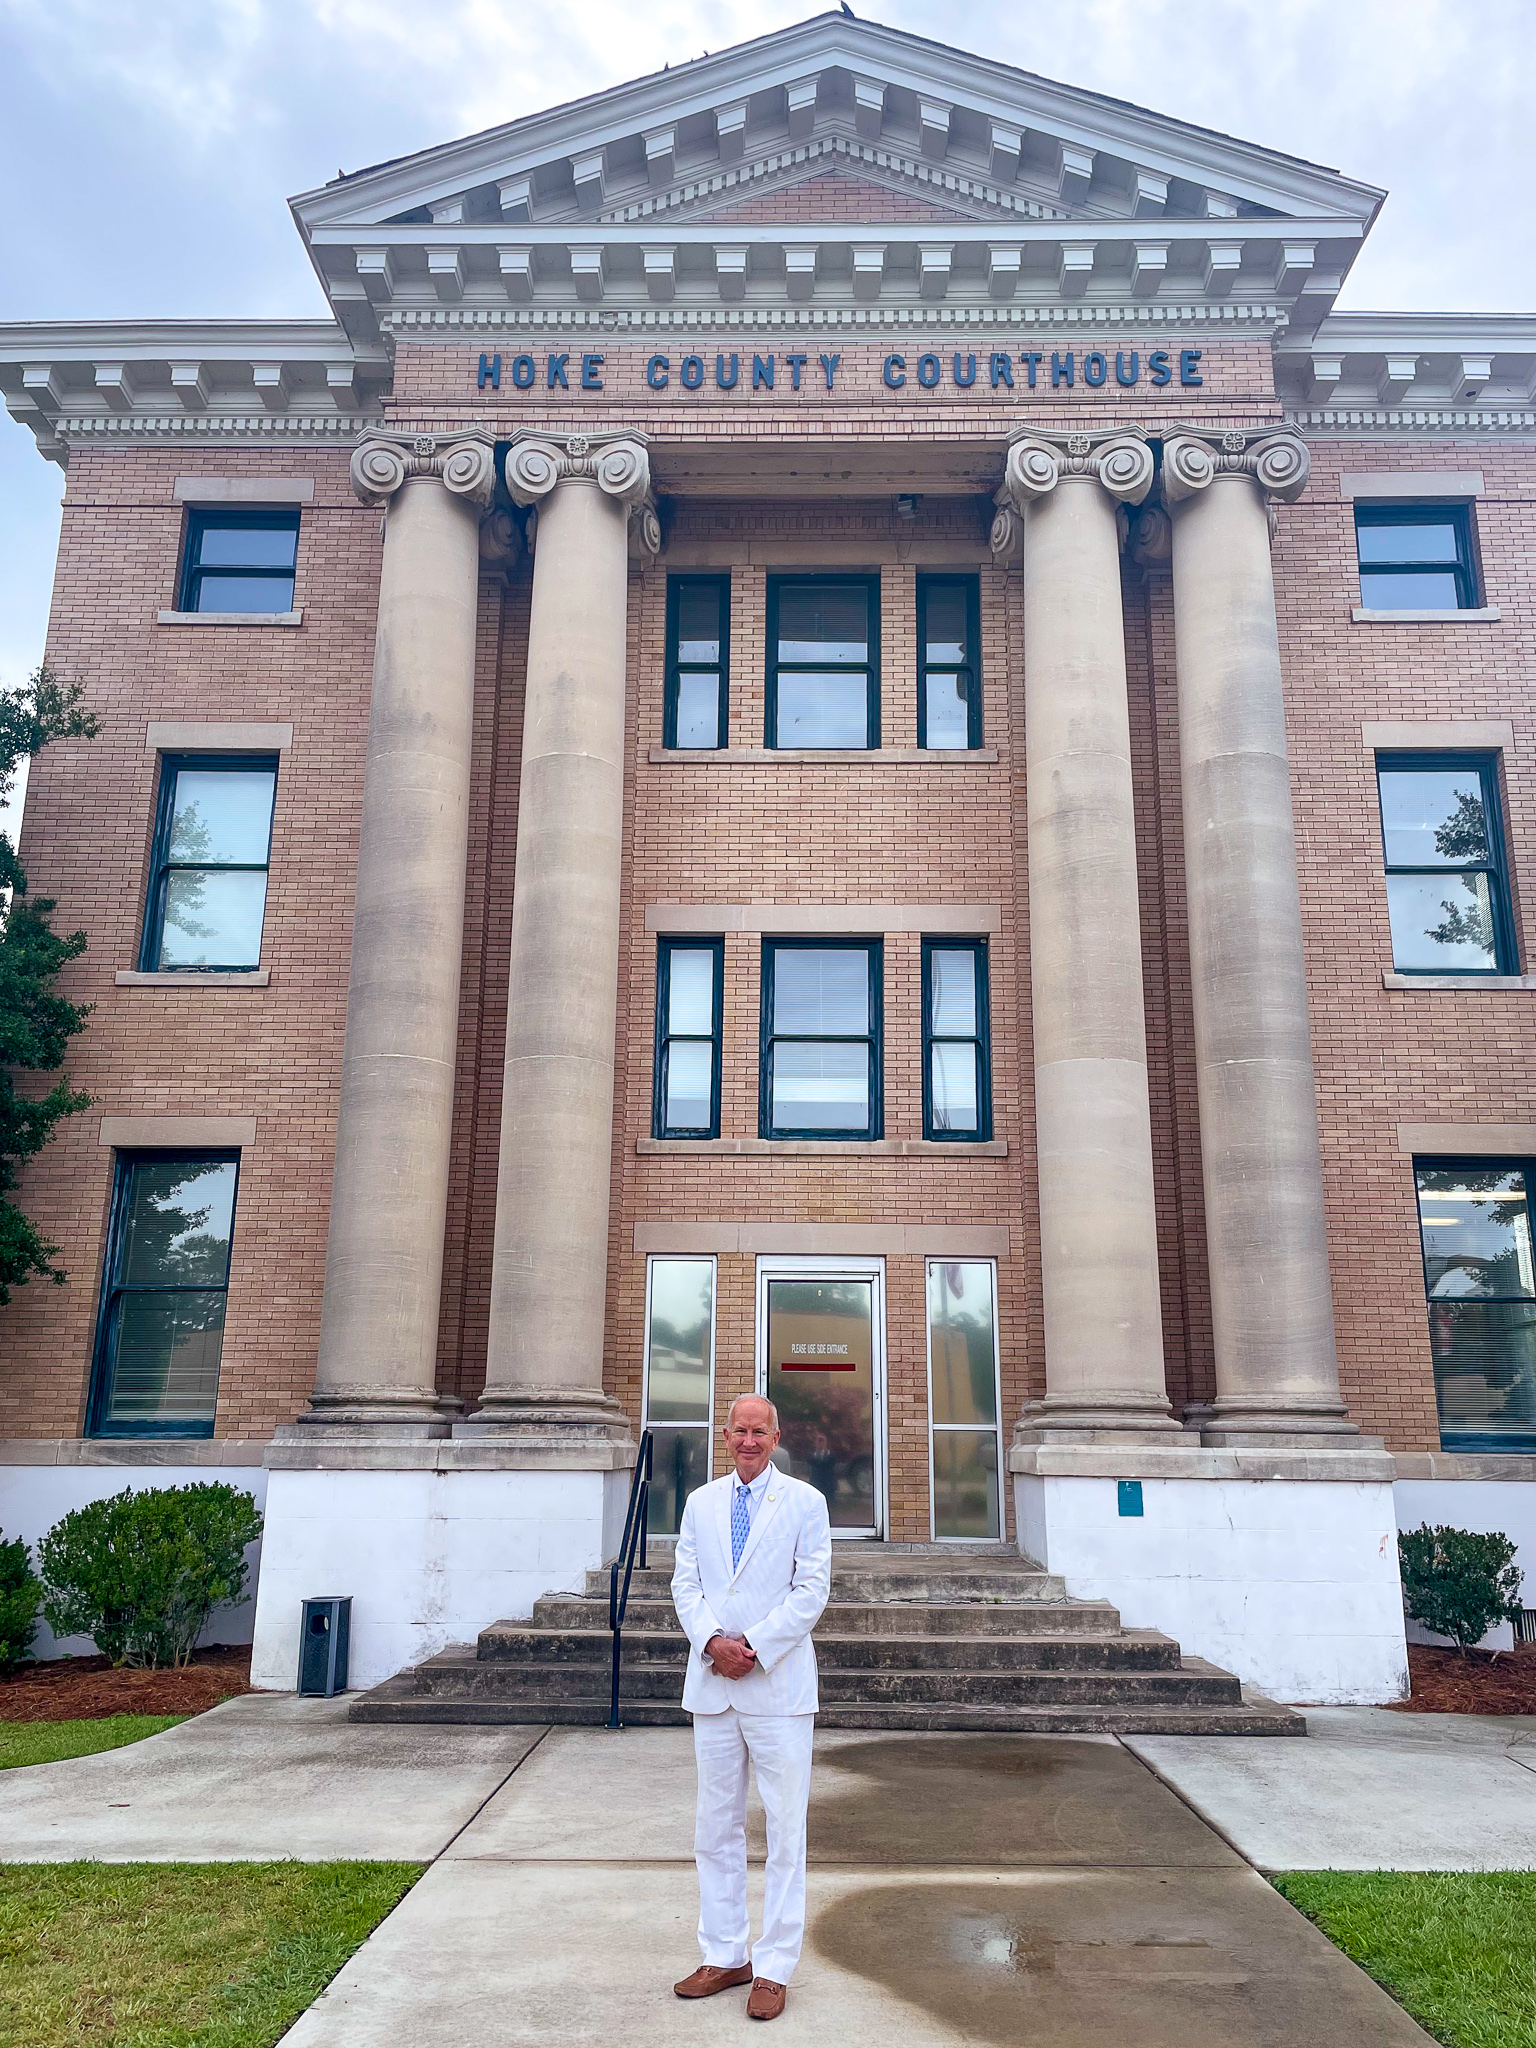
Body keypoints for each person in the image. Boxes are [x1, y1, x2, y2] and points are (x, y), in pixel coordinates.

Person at [670, 1392, 833, 2022]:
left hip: (777, 1687)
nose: (747, 1440)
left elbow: (811, 1589)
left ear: (775, 1436)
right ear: (726, 1434)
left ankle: (773, 1966)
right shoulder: (699, 1503)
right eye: (737, 1430)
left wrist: (753, 1648)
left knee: (785, 1830)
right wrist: (713, 1643)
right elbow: (686, 1583)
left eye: (758, 1431)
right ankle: (724, 1955)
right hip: (713, 1687)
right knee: (716, 1828)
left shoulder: (805, 1503)